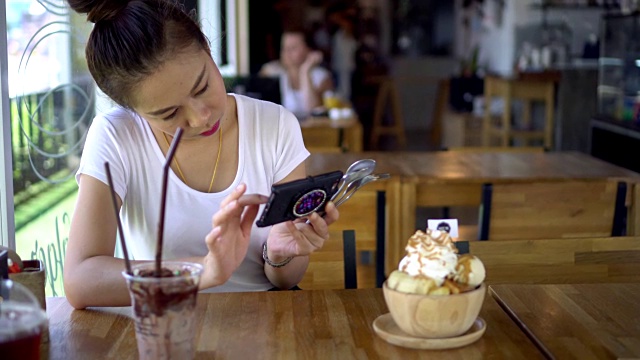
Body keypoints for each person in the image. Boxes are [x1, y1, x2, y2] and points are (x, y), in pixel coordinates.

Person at [63, 0, 339, 309]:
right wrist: (204, 271)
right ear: (134, 112)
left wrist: (280, 255)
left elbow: (285, 280)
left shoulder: (274, 126)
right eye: (168, 113)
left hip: (263, 325)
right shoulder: (117, 136)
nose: (200, 117)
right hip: (166, 329)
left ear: (208, 49)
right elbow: (80, 279)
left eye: (202, 86)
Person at [259, 29, 333, 118]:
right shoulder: (272, 72)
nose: (287, 52)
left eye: (293, 48)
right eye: (284, 48)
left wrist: (305, 71)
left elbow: (313, 110)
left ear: (308, 50)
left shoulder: (322, 77)